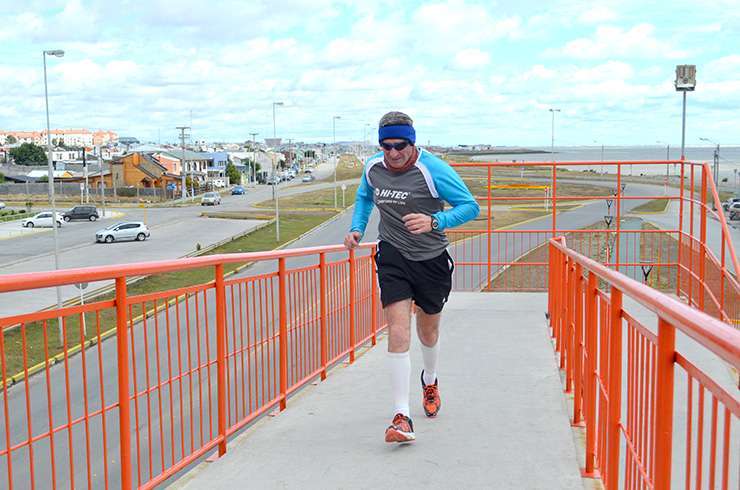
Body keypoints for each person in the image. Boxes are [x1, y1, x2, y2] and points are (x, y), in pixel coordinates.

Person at [344, 111, 479, 443]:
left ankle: (429, 379)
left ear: (412, 142)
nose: (392, 153)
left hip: (431, 258)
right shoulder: (373, 168)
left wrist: (435, 222)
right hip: (393, 255)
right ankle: (401, 416)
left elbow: (470, 206)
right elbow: (364, 197)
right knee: (398, 328)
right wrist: (357, 228)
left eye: (400, 145)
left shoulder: (433, 170)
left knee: (428, 329)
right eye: (386, 146)